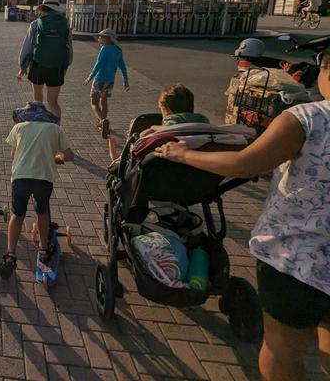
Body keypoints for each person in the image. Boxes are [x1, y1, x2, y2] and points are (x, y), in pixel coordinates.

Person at [156, 47, 330, 381]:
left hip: (297, 259)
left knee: (284, 352)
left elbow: (245, 163)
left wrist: (182, 154)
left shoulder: (308, 119)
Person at [0, 111, 75, 279]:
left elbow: (13, 155)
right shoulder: (55, 129)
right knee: (42, 212)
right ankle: (43, 249)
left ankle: (10, 254)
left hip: (21, 177)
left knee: (17, 215)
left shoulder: (18, 127)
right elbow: (69, 155)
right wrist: (56, 157)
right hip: (43, 178)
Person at [17, 0, 73, 119]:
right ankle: (56, 129)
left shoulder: (36, 24)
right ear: (57, 9)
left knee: (38, 101)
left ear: (42, 8)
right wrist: (65, 66)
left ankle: (40, 127)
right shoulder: (65, 25)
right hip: (57, 67)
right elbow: (69, 48)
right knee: (53, 102)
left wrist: (22, 67)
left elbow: (27, 47)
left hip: (38, 65)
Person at [84, 28, 129, 139]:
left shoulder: (105, 49)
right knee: (104, 102)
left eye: (102, 37)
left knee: (94, 103)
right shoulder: (118, 50)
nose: (100, 38)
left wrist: (90, 76)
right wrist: (125, 81)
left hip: (99, 79)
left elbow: (99, 64)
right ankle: (102, 124)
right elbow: (123, 67)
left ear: (108, 39)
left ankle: (102, 121)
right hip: (110, 81)